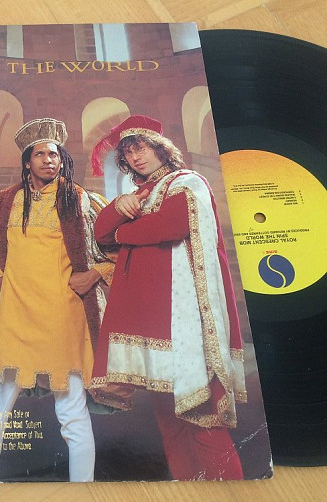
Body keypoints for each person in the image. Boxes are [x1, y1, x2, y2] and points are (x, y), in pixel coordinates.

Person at [88, 115, 247, 480]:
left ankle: (232, 491)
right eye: (128, 153)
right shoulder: (139, 194)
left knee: (203, 419)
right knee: (169, 424)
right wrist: (119, 206)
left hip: (183, 318)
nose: (135, 157)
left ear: (160, 148)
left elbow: (170, 226)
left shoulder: (187, 182)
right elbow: (100, 233)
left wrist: (125, 231)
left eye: (141, 148)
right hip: (150, 322)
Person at [0, 118, 116, 482]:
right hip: (17, 320)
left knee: (72, 414)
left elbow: (117, 247)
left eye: (55, 154)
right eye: (41, 154)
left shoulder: (79, 200)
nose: (49, 160)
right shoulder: (6, 201)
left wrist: (95, 273)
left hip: (65, 319)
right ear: (28, 161)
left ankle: (83, 492)